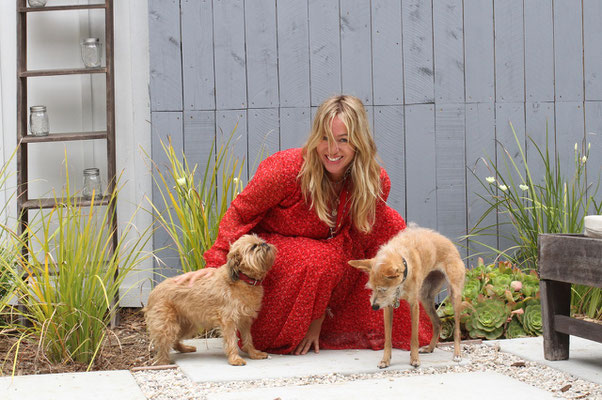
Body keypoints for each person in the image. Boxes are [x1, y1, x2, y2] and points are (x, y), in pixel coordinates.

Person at [174, 95, 433, 355]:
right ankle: (278, 331)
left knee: (390, 226)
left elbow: (360, 236)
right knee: (318, 257)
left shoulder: (372, 180)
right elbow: (241, 213)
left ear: (359, 142)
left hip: (335, 252)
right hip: (279, 253)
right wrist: (215, 265)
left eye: (343, 140)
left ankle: (379, 322)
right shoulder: (286, 170)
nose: (332, 150)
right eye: (325, 138)